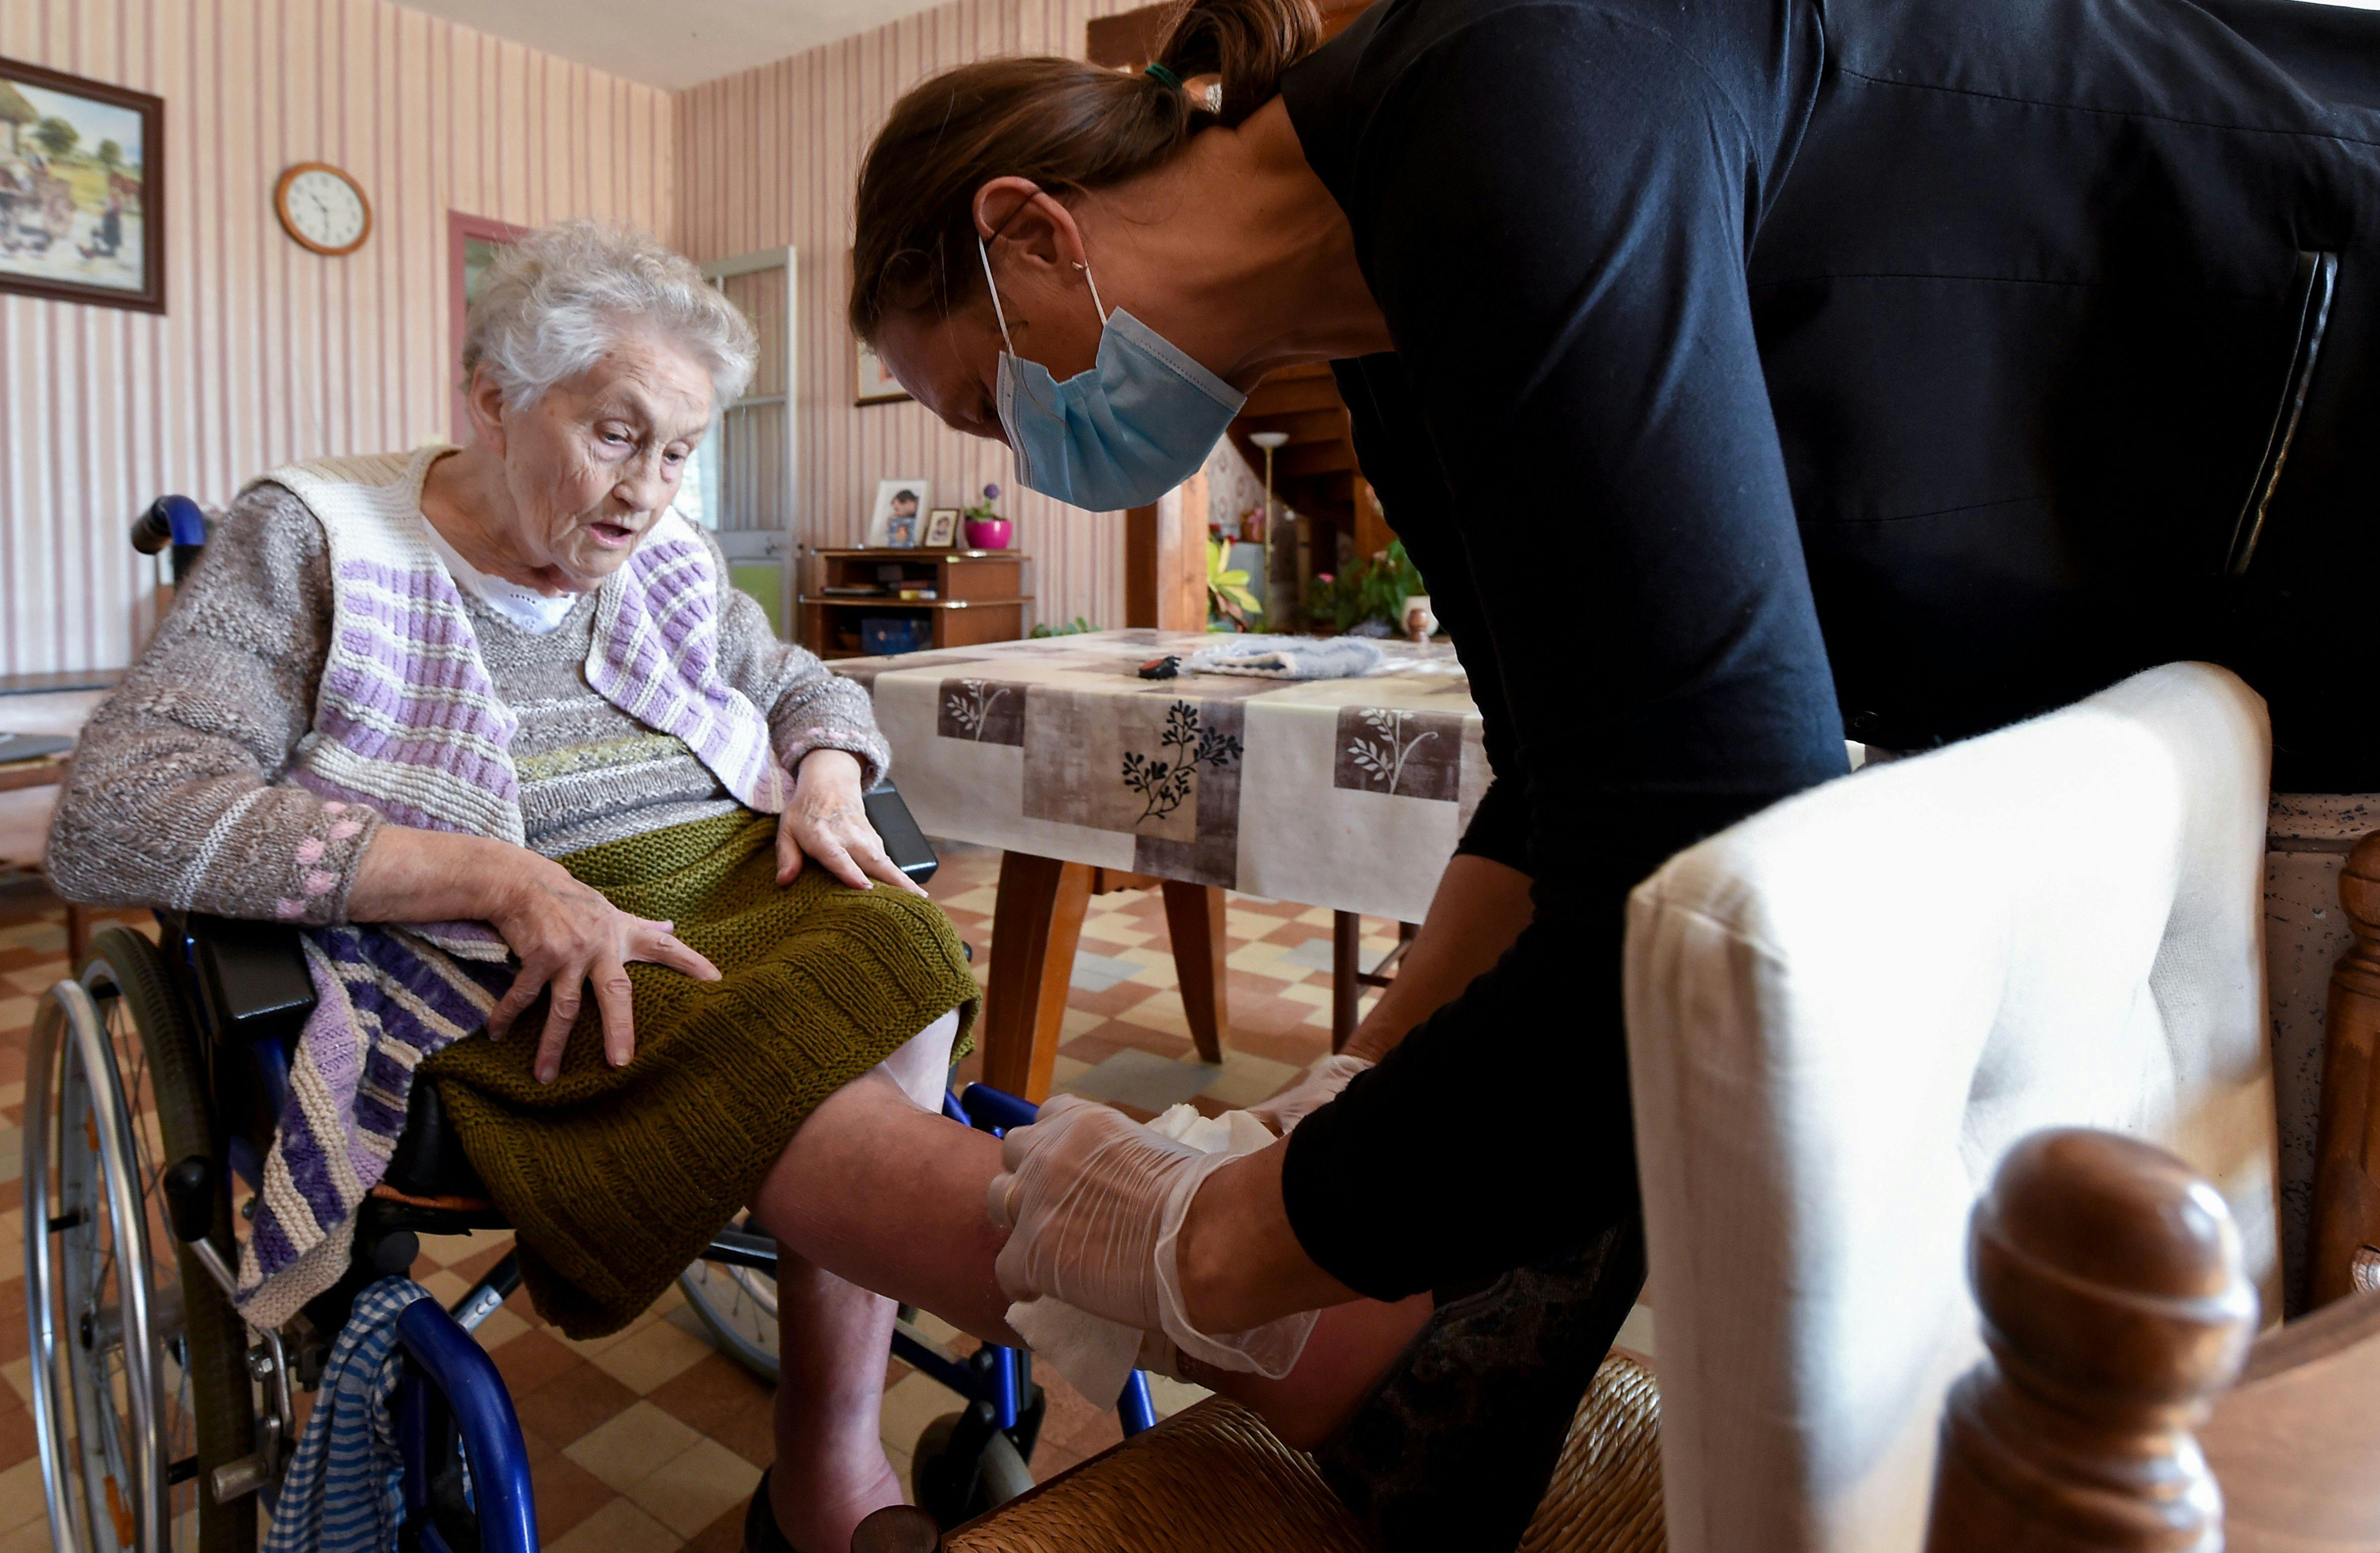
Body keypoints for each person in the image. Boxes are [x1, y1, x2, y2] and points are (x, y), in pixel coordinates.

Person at [850, 0, 2380, 1513]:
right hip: (2208, 625)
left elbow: (1688, 843)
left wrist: (1216, 1239)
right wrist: (1357, 1081)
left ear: (1034, 228)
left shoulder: (1518, 90)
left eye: (994, 400)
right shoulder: (1389, 342)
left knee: (2333, 1349)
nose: (1025, 460)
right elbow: (1564, 774)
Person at [45, 218, 1423, 1552]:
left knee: (893, 943)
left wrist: (825, 767)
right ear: (491, 397)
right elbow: (120, 807)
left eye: (681, 451)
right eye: (615, 433)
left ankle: (842, 1441)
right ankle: (1202, 1290)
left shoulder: (663, 558)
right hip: (474, 929)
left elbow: (801, 683)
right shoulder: (315, 535)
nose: (649, 491)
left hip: (710, 864)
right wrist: (495, 875)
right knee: (735, 1027)